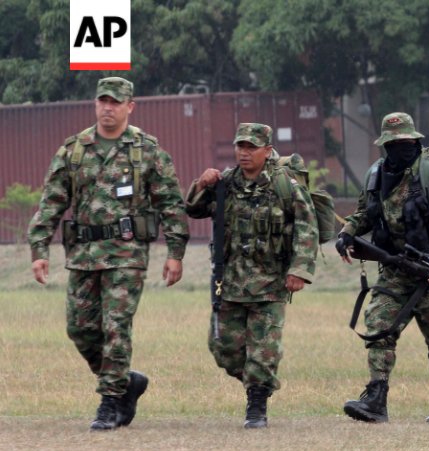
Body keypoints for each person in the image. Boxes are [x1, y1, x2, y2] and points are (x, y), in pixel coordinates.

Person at [27, 77, 190, 431]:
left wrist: (175, 252)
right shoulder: (74, 150)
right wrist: (39, 249)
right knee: (80, 329)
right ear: (95, 104)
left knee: (116, 327)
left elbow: (171, 203)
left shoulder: (146, 150)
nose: (108, 108)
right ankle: (126, 382)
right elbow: (51, 202)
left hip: (127, 255)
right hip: (84, 254)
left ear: (130, 106)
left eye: (116, 102)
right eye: (103, 101)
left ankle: (109, 403)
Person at [337, 112, 429, 423]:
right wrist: (347, 233)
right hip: (395, 272)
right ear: (385, 145)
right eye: (394, 144)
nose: (401, 149)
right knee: (378, 326)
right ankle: (376, 398)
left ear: (416, 142)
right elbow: (364, 213)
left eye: (406, 143)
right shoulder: (376, 175)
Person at [184, 123, 318, 429]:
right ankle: (259, 382)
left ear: (267, 151)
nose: (244, 153)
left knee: (262, 350)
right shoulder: (225, 182)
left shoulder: (284, 185)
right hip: (229, 282)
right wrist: (201, 184)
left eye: (251, 147)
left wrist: (299, 270)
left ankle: (257, 404)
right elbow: (194, 209)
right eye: (240, 146)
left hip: (270, 282)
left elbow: (306, 227)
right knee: (223, 348)